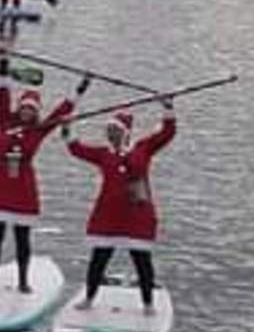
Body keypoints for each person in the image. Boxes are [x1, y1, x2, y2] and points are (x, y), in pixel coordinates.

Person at [0, 63, 80, 290]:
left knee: (22, 237)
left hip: (22, 188)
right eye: (24, 108)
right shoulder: (5, 122)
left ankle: (23, 280)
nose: (27, 112)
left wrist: (80, 89)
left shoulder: (39, 130)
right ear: (19, 109)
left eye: (31, 110)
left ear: (36, 113)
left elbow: (61, 111)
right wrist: (3, 71)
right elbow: (3, 95)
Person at [65, 97, 176, 313]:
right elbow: (76, 149)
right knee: (99, 259)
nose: (111, 135)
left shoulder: (143, 148)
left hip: (136, 214)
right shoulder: (103, 154)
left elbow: (167, 134)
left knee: (142, 260)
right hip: (108, 215)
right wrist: (67, 127)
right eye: (109, 131)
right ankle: (89, 299)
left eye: (115, 131)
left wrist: (168, 108)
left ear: (125, 132)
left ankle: (148, 303)